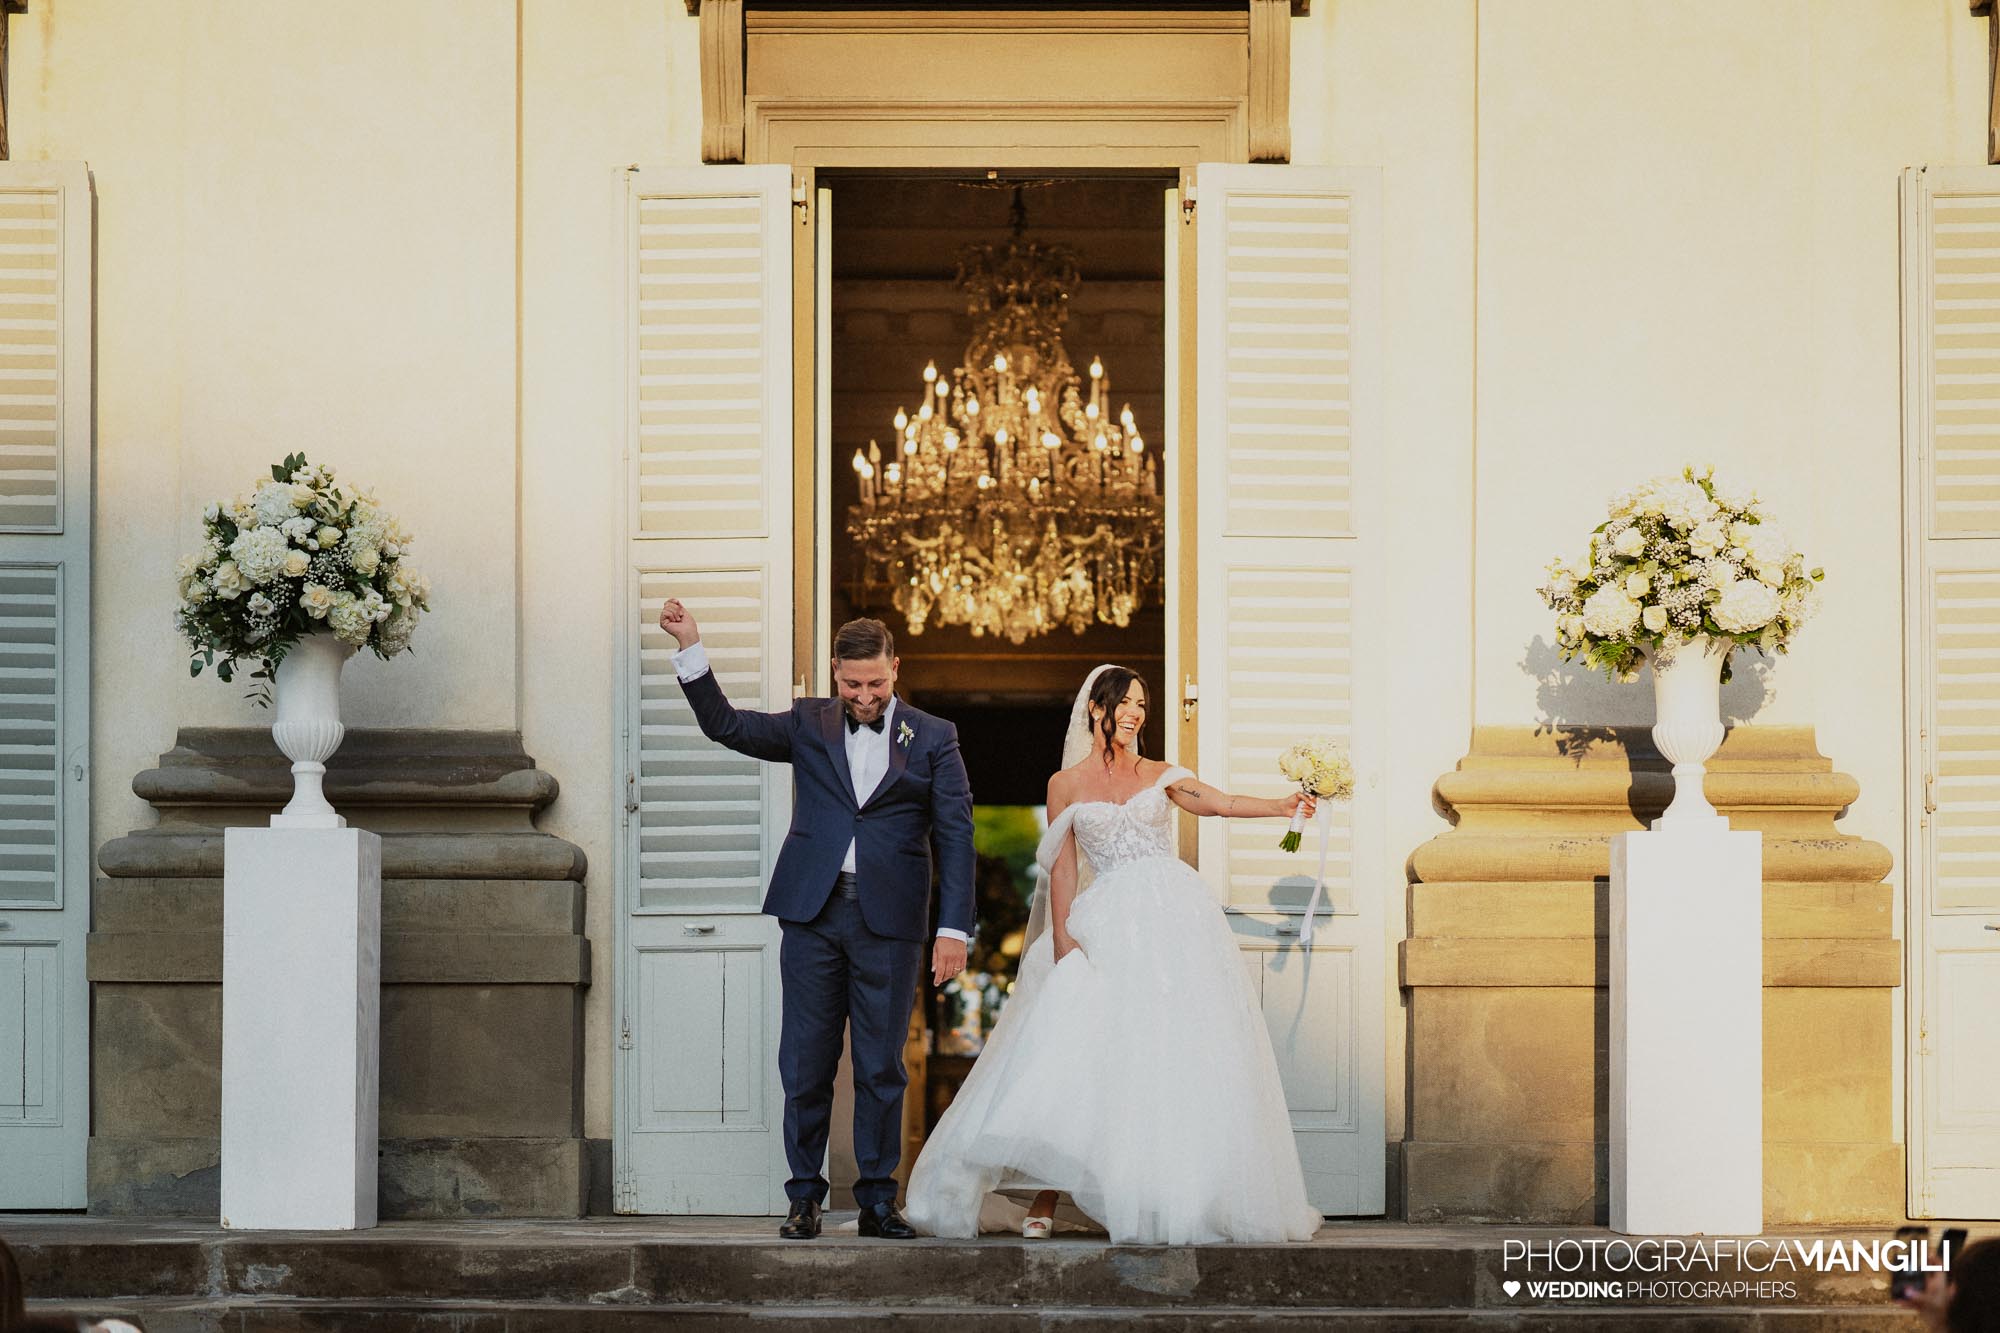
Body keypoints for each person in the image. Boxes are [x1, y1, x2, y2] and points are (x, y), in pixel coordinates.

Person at [904, 663, 1324, 1245]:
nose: (1135, 712)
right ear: (1096, 709)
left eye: (1142, 705)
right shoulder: (1064, 785)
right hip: (1104, 926)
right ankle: (1046, 1193)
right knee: (1082, 1053)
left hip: (1173, 925)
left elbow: (1219, 803)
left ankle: (1176, 1194)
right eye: (1125, 702)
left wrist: (1280, 807)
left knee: (1168, 1056)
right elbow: (1062, 874)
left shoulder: (1162, 775)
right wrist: (1065, 947)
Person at [658, 603, 975, 1240]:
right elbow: (727, 727)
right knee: (804, 1063)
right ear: (835, 672)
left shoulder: (934, 736)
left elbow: (957, 835)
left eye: (876, 684)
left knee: (881, 1066)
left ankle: (878, 1202)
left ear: (895, 670)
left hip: (890, 921)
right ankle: (803, 1197)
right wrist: (691, 647)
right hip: (812, 912)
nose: (863, 697)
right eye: (852, 684)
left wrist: (953, 929)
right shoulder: (808, 723)